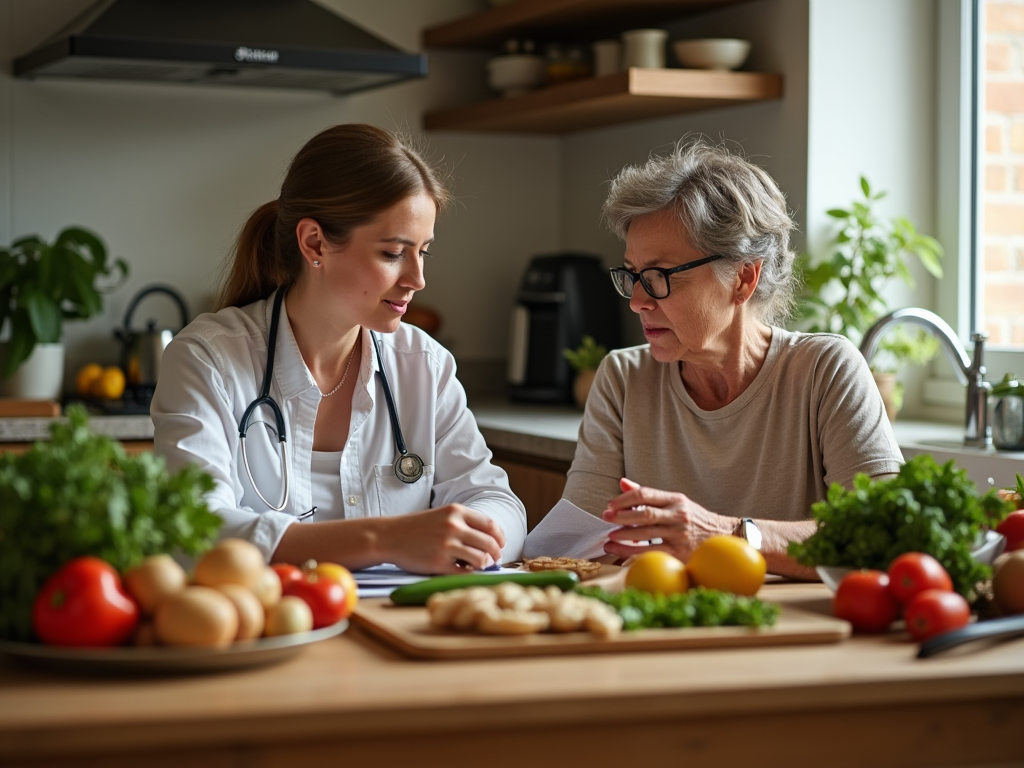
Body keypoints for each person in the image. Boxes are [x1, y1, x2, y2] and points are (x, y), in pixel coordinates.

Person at [152, 124, 526, 574]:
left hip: (399, 627)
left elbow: (496, 500)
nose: (417, 279)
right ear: (315, 243)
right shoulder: (207, 359)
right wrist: (386, 539)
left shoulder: (425, 365)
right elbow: (196, 531)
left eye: (423, 251)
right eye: (392, 253)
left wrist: (472, 536)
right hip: (269, 628)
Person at [562, 139, 903, 579]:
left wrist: (726, 535)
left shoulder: (825, 371)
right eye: (632, 276)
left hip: (795, 635)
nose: (638, 301)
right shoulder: (622, 379)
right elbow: (577, 549)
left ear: (743, 277)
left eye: (660, 276)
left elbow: (883, 533)